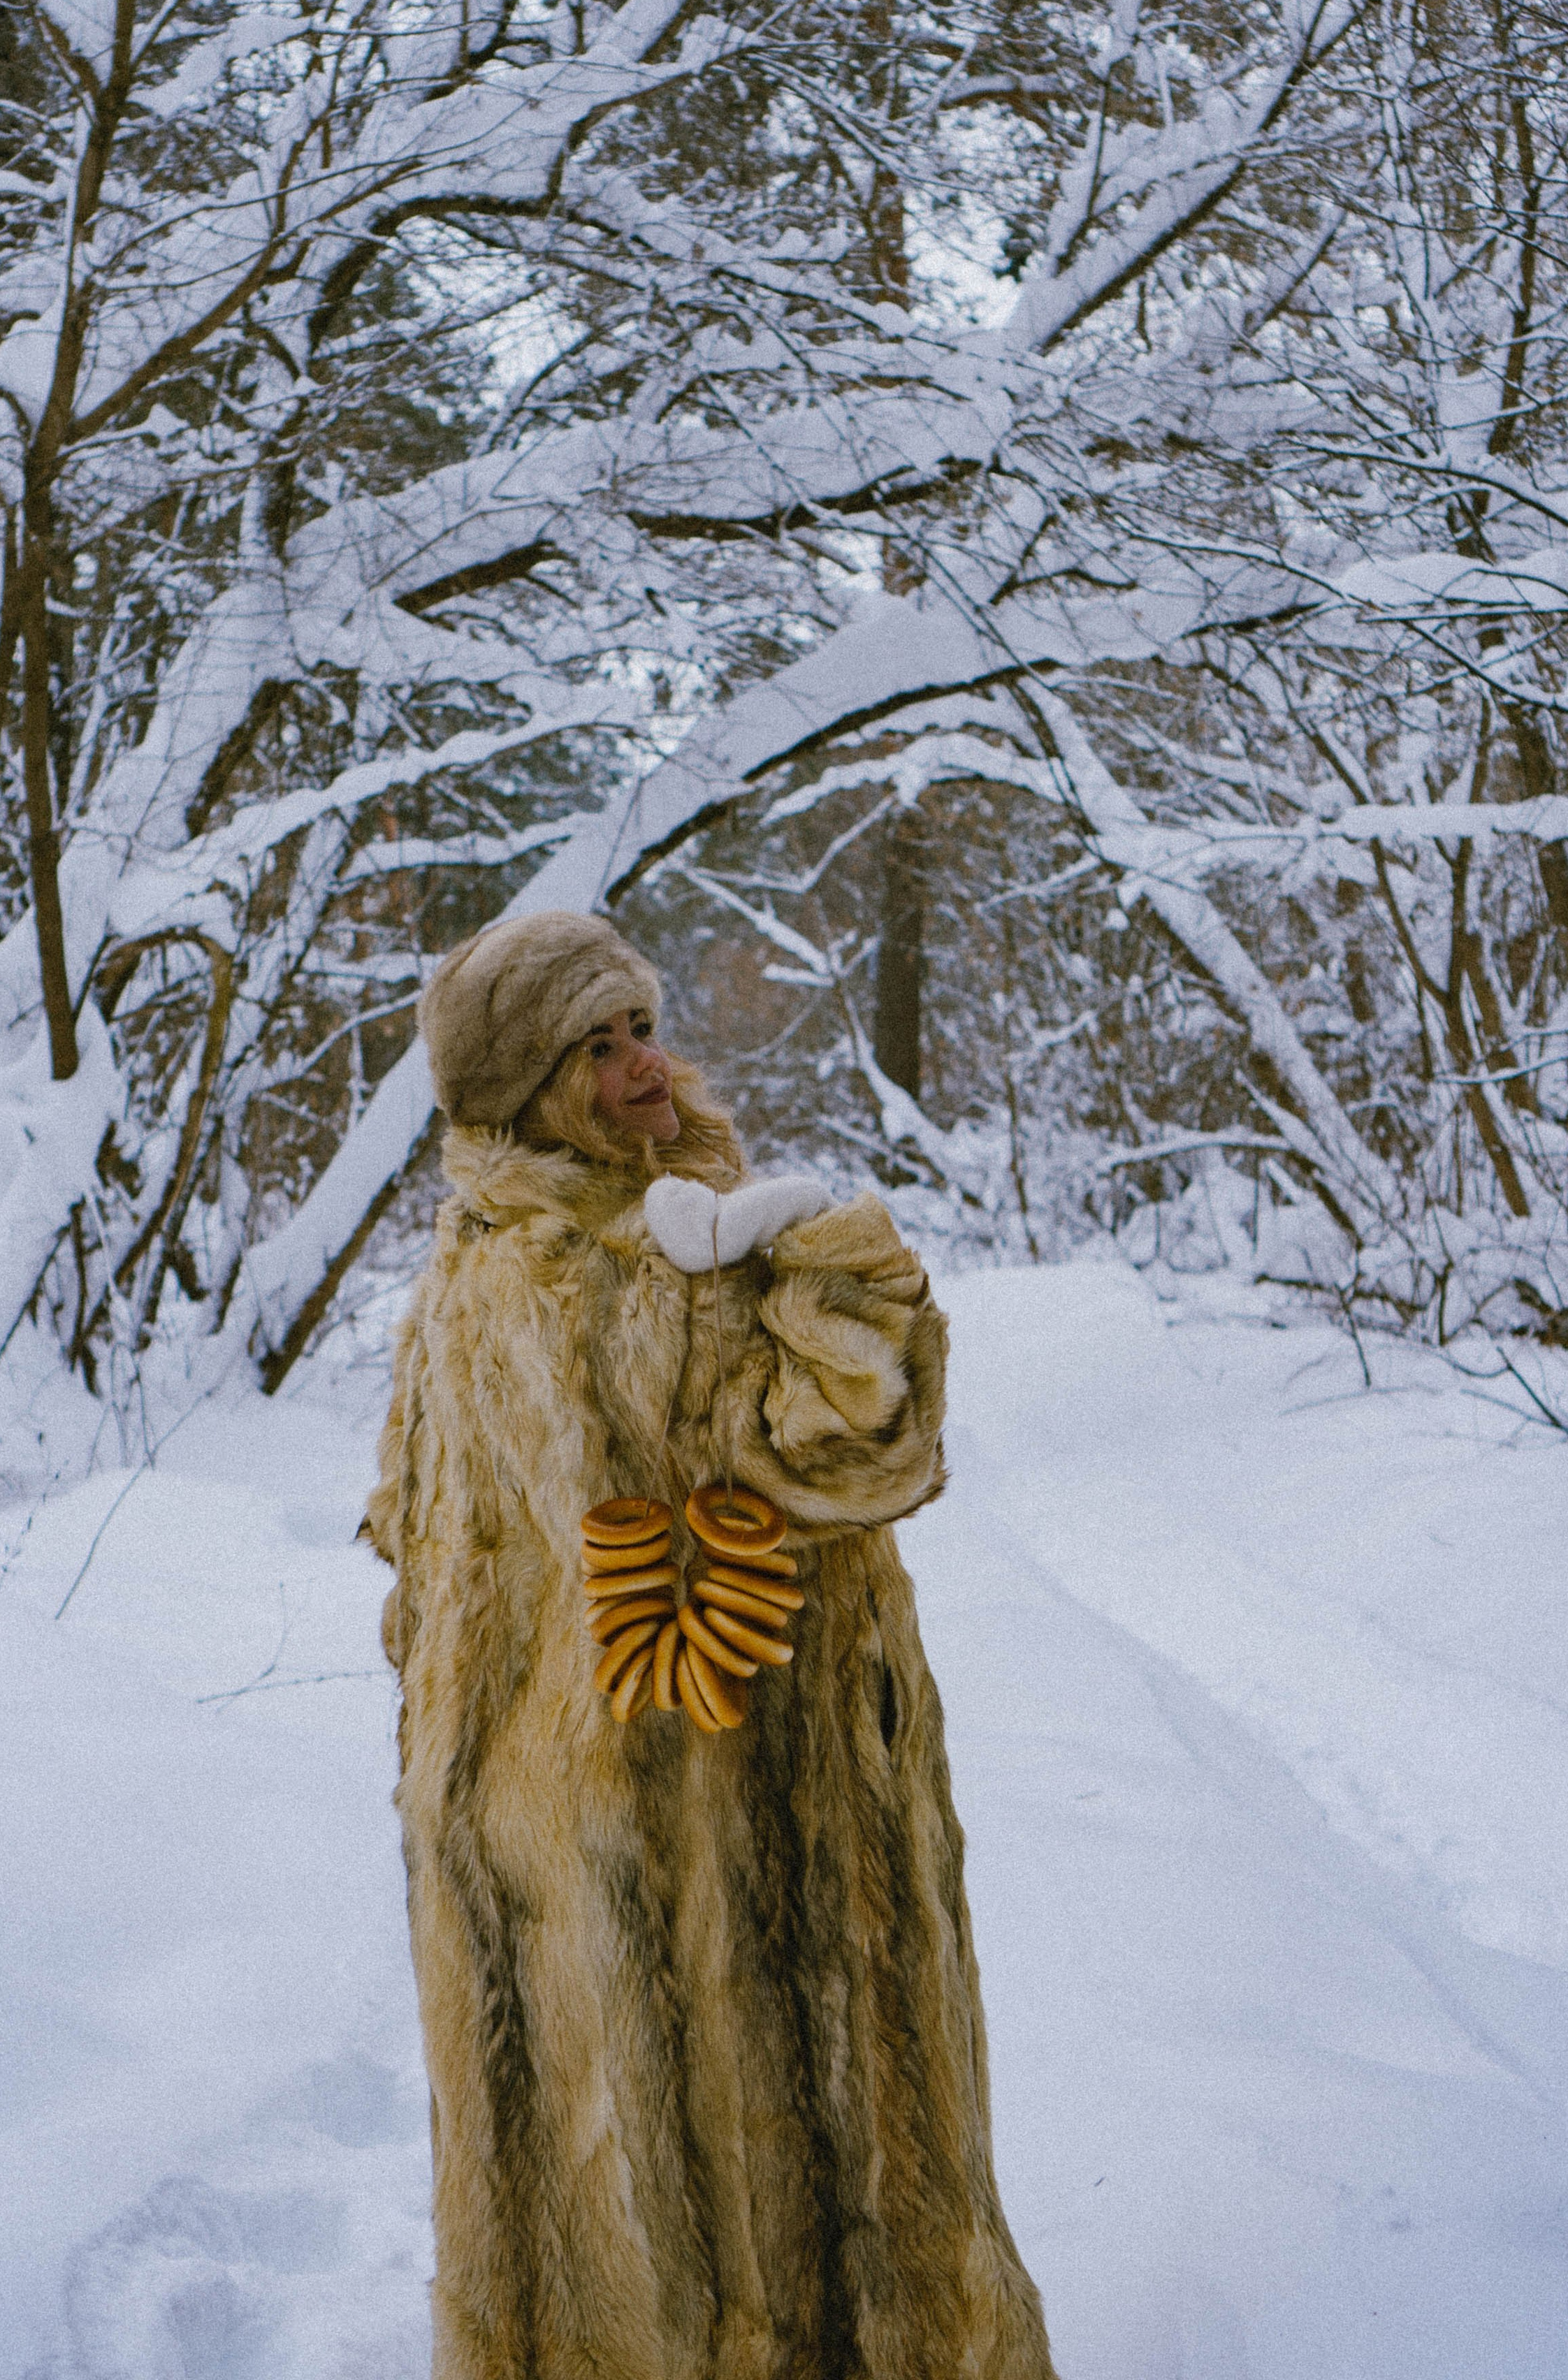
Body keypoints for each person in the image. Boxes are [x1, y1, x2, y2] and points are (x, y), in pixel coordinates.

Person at [364, 908, 1058, 2380]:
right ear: (526, 1088)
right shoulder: (627, 1274)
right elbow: (855, 1450)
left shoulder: (466, 1266)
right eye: (595, 1048)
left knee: (605, 2214)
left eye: (641, 1028)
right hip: (709, 1819)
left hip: (531, 1833)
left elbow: (408, 1556)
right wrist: (838, 1264)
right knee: (783, 2198)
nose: (645, 1066)